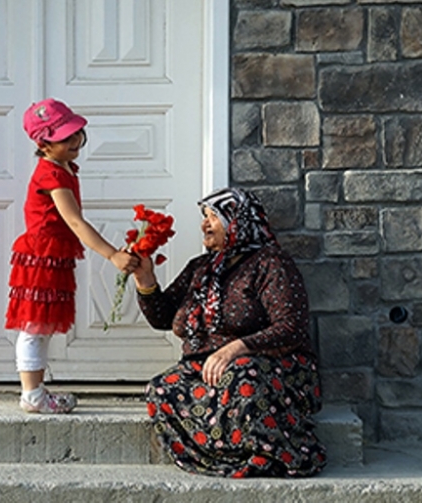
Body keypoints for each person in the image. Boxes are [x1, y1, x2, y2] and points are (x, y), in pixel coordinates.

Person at [131, 187, 326, 477]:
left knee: (242, 376)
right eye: (204, 217)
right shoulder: (200, 268)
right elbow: (163, 317)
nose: (204, 224)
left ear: (238, 221)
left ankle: (272, 452)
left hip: (273, 366)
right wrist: (144, 277)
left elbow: (291, 328)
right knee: (161, 388)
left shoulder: (270, 263)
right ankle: (217, 459)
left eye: (214, 217)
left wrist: (235, 349)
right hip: (207, 367)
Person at [5, 98, 136, 414]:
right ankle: (32, 395)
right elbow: (75, 221)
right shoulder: (52, 175)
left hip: (51, 255)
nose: (75, 140)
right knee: (35, 326)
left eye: (76, 133)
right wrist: (112, 255)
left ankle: (35, 390)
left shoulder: (63, 167)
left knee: (43, 326)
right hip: (41, 256)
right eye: (65, 138)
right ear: (44, 144)